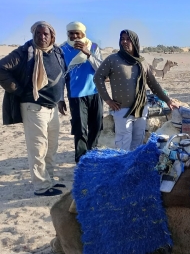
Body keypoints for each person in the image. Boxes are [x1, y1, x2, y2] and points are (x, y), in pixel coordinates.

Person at [0, 21, 68, 196]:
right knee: (38, 148)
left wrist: (60, 99)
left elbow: (60, 77)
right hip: (33, 107)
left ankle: (49, 179)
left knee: (51, 146)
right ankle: (41, 186)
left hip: (52, 108)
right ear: (34, 34)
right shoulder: (25, 52)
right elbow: (1, 68)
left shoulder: (57, 52)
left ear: (52, 35)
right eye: (38, 33)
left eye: (45, 34)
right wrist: (19, 89)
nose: (42, 37)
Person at [94, 30, 175, 151]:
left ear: (135, 42)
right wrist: (108, 100)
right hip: (122, 109)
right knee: (123, 144)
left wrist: (167, 100)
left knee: (138, 142)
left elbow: (153, 84)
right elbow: (98, 77)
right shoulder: (113, 59)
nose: (124, 41)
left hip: (141, 109)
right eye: (122, 39)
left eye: (128, 39)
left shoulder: (142, 62)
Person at [60, 22, 103, 163]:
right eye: (71, 33)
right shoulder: (62, 49)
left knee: (96, 126)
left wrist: (87, 53)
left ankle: (92, 155)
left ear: (83, 34)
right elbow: (60, 76)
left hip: (95, 93)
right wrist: (60, 99)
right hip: (76, 95)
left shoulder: (94, 47)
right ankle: (81, 160)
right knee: (80, 130)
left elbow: (101, 69)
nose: (74, 36)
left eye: (77, 33)